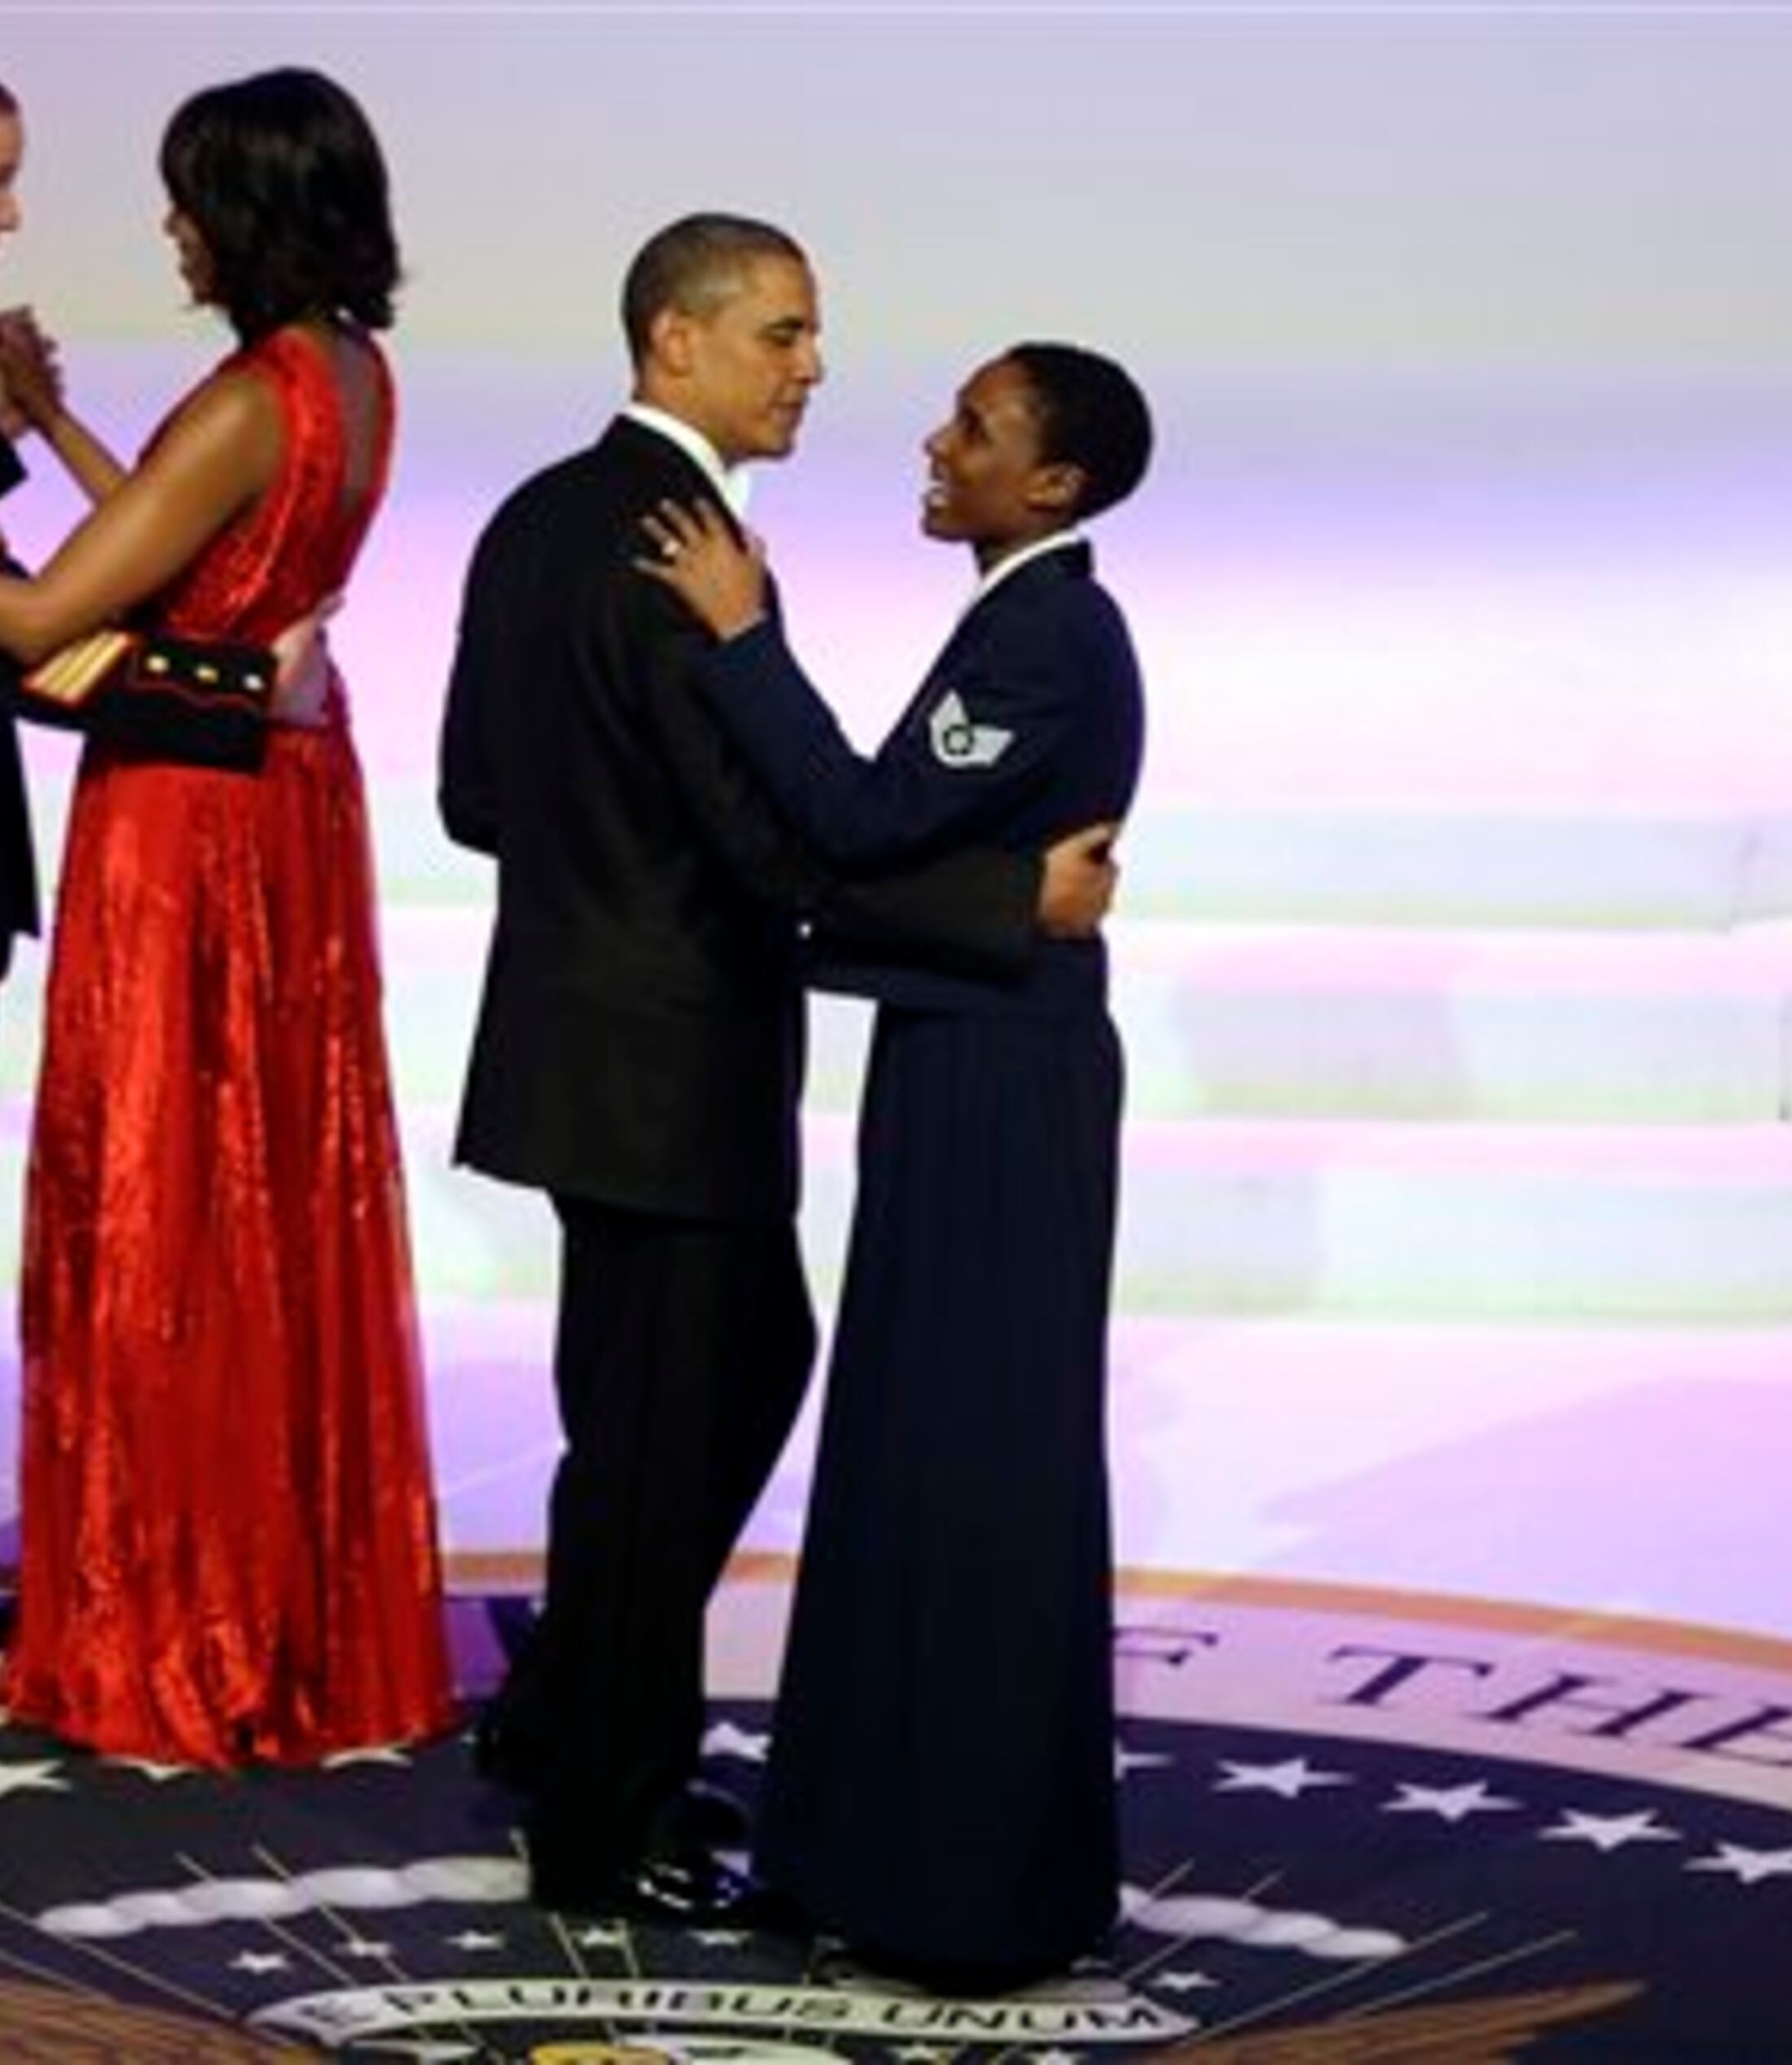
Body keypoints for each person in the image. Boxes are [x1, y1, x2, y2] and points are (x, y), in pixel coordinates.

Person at [0, 67, 454, 1765]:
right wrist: (224, 694)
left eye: (184, 199)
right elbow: (33, 608)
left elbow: (72, 554)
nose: (19, 212)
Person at [438, 213, 1120, 1924]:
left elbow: (471, 794)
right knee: (671, 1433)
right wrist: (1002, 898)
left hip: (577, 1051)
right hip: (675, 1074)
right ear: (677, 342)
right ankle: (596, 1817)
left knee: (689, 1403)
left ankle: (578, 1715)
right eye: (784, 336)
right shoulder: (691, 548)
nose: (814, 369)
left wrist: (600, 883)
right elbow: (788, 846)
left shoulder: (533, 516)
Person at [635, 342, 1153, 1989]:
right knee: (905, 1455)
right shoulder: (1021, 615)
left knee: (978, 1469)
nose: (938, 444)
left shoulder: (1048, 634)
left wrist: (744, 640)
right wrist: (1003, 906)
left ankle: (970, 1892)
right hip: (961, 1058)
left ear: (1053, 483)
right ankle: (864, 1852)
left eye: (978, 431)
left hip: (1005, 1087)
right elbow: (907, 865)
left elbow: (857, 827)